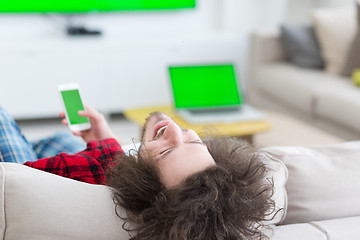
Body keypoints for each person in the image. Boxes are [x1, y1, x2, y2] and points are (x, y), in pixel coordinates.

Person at [0, 106, 276, 240]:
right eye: (195, 142)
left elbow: (16, 178)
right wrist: (106, 139)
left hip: (25, 167)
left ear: (140, 182)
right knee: (65, 140)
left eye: (165, 152)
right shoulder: (117, 163)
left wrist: (103, 148)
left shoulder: (87, 169)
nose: (175, 131)